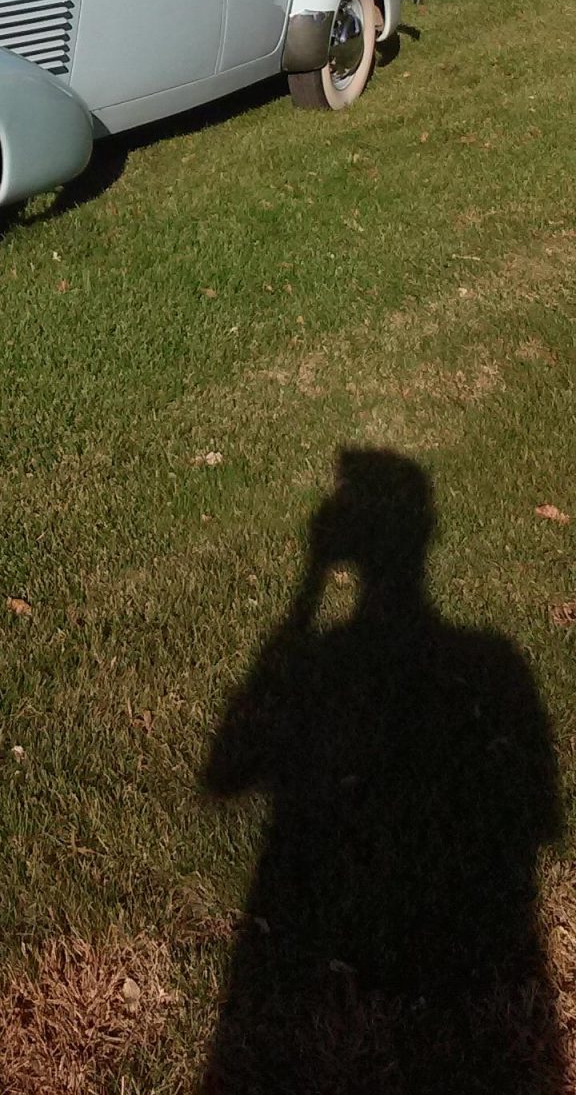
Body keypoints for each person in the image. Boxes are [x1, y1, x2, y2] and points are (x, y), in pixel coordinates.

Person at [201, 450, 563, 1094]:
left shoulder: (327, 661)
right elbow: (541, 817)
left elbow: (224, 773)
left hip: (320, 935)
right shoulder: (497, 664)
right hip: (476, 952)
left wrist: (308, 588)